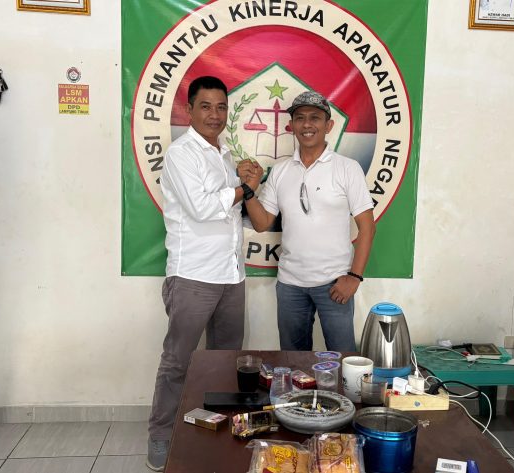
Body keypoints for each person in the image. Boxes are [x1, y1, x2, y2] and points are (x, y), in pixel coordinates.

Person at [146, 76, 260, 471]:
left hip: (231, 275)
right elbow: (201, 208)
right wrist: (245, 188)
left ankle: (215, 434)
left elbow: (233, 214)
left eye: (221, 107)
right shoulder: (182, 154)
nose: (215, 114)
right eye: (206, 106)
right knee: (178, 362)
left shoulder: (225, 155)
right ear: (189, 110)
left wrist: (245, 187)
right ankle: (161, 435)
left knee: (225, 362)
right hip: (193, 275)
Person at [238, 90, 375, 352]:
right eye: (300, 118)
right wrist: (248, 190)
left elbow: (367, 227)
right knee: (292, 364)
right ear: (292, 126)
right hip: (290, 284)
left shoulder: (347, 168)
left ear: (328, 125)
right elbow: (262, 223)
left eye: (315, 118)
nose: (307, 124)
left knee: (342, 361)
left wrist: (354, 277)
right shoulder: (280, 171)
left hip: (335, 282)